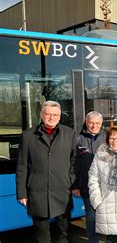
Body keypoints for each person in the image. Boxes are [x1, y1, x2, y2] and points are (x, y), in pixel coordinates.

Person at [16, 100, 76, 243]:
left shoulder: (70, 134)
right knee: (41, 235)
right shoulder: (28, 136)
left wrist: (71, 182)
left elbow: (75, 161)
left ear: (60, 116)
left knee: (64, 234)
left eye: (55, 115)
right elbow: (22, 166)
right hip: (38, 193)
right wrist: (22, 192)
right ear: (41, 115)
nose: (51, 117)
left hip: (63, 192)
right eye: (48, 114)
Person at [71, 111, 106, 243]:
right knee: (91, 217)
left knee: (107, 216)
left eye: (97, 123)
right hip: (87, 186)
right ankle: (93, 240)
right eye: (91, 122)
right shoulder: (77, 139)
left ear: (101, 123)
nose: (94, 126)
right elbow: (72, 164)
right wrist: (74, 185)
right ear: (86, 122)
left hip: (106, 186)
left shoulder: (107, 137)